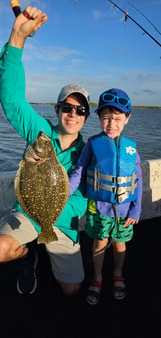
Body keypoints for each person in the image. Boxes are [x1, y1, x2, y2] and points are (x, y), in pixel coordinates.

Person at [0, 6, 90, 296]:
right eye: (67, 107)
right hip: (27, 214)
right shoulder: (40, 133)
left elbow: (82, 201)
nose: (73, 114)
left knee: (72, 289)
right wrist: (17, 38)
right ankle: (27, 256)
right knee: (1, 249)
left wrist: (53, 208)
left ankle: (43, 247)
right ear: (57, 109)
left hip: (60, 224)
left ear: (86, 116)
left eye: (81, 109)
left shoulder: (90, 154)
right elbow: (12, 99)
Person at [70, 88, 142, 304]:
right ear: (99, 118)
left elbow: (137, 179)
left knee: (120, 244)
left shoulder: (131, 149)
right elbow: (80, 171)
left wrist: (136, 208)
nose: (111, 124)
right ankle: (98, 276)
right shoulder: (93, 144)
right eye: (106, 118)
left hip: (124, 211)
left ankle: (118, 273)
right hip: (99, 209)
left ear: (127, 119)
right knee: (99, 243)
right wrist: (66, 191)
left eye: (118, 119)